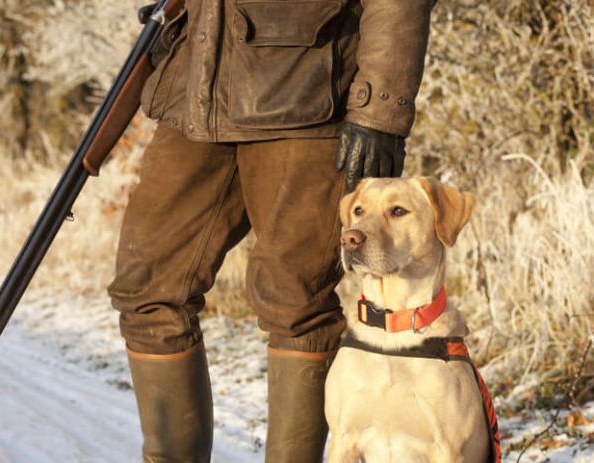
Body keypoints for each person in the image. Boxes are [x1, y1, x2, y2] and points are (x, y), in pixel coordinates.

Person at [107, 0, 436, 461]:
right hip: (193, 92)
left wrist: (380, 108)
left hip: (306, 98)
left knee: (295, 300)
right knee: (147, 289)